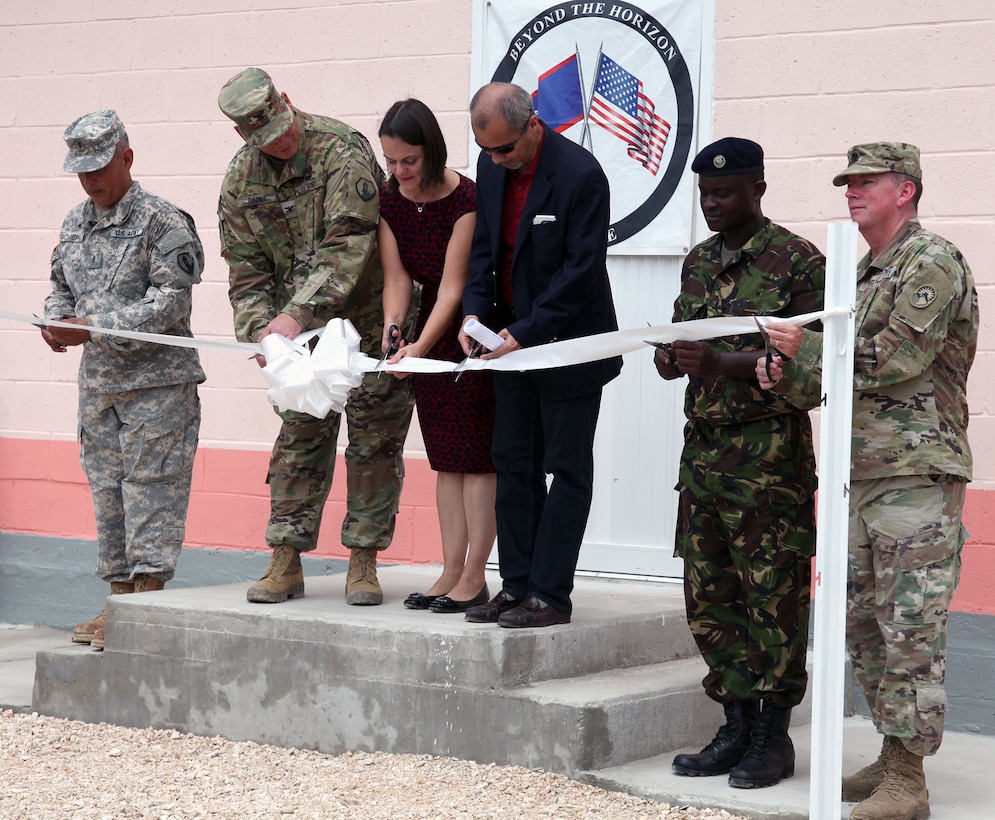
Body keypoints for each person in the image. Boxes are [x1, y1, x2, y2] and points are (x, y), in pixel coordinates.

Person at [758, 143, 977, 820]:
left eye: (864, 182)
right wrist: (785, 373)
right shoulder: (861, 274)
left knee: (908, 623)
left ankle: (908, 781)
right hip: (861, 475)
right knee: (863, 625)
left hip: (915, 473)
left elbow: (898, 360)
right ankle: (891, 752)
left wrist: (811, 349)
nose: (849, 192)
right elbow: (836, 378)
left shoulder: (930, 261)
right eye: (845, 183)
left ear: (903, 190)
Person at [654, 138, 825, 788]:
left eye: (723, 193)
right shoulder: (697, 263)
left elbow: (812, 369)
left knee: (771, 598)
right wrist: (668, 359)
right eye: (703, 195)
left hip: (767, 464)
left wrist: (720, 364)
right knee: (710, 596)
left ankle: (770, 737)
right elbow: (678, 344)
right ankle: (732, 723)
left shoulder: (798, 262)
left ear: (757, 187)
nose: (712, 205)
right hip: (703, 459)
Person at [217, 67, 414, 607]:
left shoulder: (340, 149)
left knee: (374, 443)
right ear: (242, 135)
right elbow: (246, 273)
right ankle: (286, 558)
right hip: (299, 340)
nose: (278, 142)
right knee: (299, 440)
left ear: (286, 100)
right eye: (262, 138)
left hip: (371, 324)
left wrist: (293, 317)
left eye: (280, 127)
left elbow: (349, 244)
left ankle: (364, 562)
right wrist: (264, 336)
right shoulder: (240, 182)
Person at [459, 82, 622, 629]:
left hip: (567, 345)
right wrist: (473, 318)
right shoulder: (491, 170)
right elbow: (484, 251)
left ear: (532, 124)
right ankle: (518, 585)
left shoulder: (580, 174)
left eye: (505, 149)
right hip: (507, 345)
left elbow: (581, 272)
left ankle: (551, 594)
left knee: (566, 470)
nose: (498, 160)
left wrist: (525, 331)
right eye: (488, 152)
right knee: (513, 464)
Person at [42, 110, 205, 650]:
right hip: (100, 389)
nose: (90, 181)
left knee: (151, 494)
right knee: (108, 496)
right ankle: (118, 600)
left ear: (127, 158)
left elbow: (169, 302)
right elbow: (59, 285)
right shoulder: (74, 223)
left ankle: (143, 604)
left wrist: (94, 327)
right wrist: (55, 320)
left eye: (100, 168)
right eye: (81, 171)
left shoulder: (163, 223)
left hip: (156, 388)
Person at [376, 99, 497, 614]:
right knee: (446, 463)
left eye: (409, 161)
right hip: (423, 337)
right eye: (391, 162)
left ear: (432, 151)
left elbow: (452, 288)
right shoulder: (390, 202)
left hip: (466, 332)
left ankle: (475, 575)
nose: (400, 172)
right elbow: (398, 279)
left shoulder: (465, 198)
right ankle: (449, 569)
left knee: (477, 463)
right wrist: (393, 330)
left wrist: (419, 348)